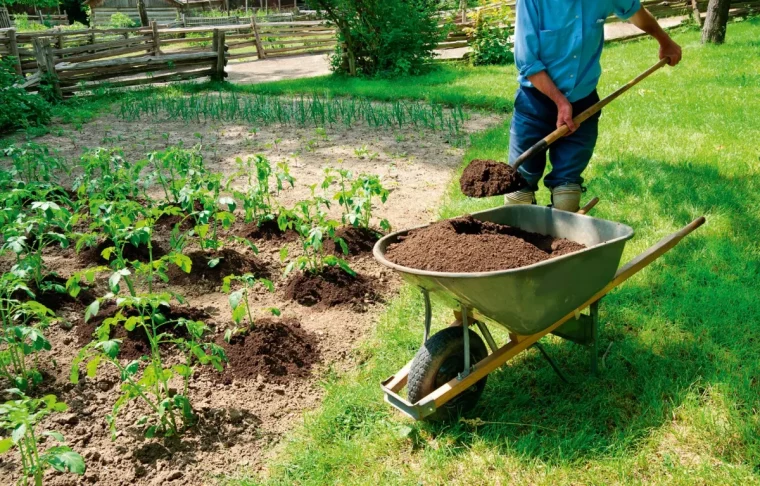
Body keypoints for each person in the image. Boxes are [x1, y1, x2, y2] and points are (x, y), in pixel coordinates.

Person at [505, 0, 682, 211]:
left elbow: (635, 11)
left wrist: (665, 40)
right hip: (535, 105)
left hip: (583, 105)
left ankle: (559, 235)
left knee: (567, 197)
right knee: (517, 194)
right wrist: (560, 102)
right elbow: (527, 60)